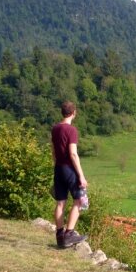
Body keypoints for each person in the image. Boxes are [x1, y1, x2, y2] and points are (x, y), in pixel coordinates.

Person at [51, 100, 88, 248]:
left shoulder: (55, 129)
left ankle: (60, 236)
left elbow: (53, 151)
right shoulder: (71, 130)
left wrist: (57, 164)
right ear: (74, 113)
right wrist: (81, 175)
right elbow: (73, 154)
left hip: (58, 168)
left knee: (60, 203)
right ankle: (70, 234)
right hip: (69, 169)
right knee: (79, 201)